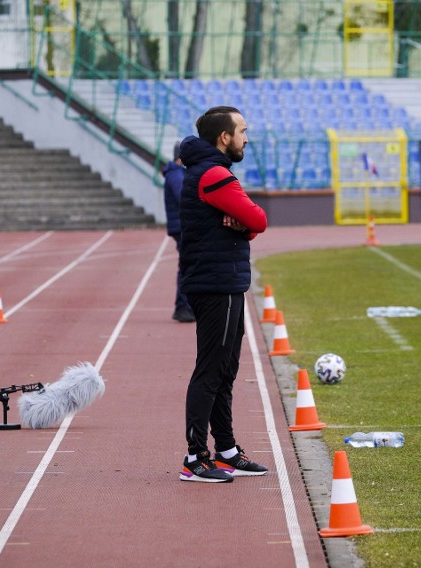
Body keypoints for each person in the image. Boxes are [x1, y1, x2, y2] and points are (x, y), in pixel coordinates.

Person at [177, 106, 269, 483]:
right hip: (216, 284)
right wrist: (246, 225)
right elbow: (260, 219)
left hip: (223, 281)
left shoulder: (210, 172)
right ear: (224, 138)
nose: (247, 138)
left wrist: (243, 228)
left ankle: (227, 450)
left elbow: (247, 224)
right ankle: (194, 458)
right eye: (242, 131)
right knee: (211, 371)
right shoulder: (215, 175)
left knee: (225, 370)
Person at [163, 141, 195, 323]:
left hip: (180, 225)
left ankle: (186, 306)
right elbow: (184, 197)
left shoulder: (177, 173)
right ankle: (183, 307)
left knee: (188, 265)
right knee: (187, 266)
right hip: (182, 226)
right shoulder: (176, 175)